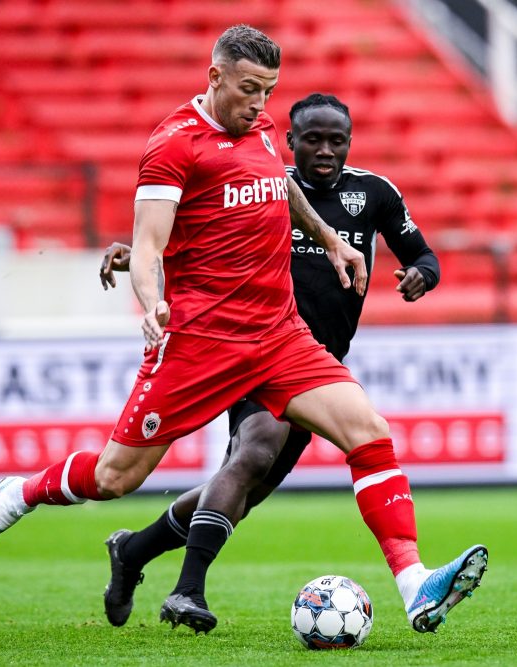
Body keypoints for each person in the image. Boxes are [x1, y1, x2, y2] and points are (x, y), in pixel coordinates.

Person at [0, 25, 487, 636]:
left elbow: (276, 184)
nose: (260, 105)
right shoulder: (173, 146)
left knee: (369, 432)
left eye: (268, 92)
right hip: (201, 343)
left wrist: (333, 238)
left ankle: (415, 585)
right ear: (214, 78)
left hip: (280, 335)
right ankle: (17, 495)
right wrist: (152, 303)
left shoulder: (256, 127)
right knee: (113, 478)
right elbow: (150, 245)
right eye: (249, 90)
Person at [99, 92, 485, 634]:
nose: (325, 150)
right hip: (255, 346)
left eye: (337, 140)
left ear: (350, 143)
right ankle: (187, 591)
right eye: (313, 139)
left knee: (244, 492)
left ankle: (134, 551)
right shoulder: (260, 183)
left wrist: (423, 274)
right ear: (290, 141)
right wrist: (136, 250)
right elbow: (181, 223)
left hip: (315, 365)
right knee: (254, 453)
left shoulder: (374, 194)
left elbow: (421, 252)